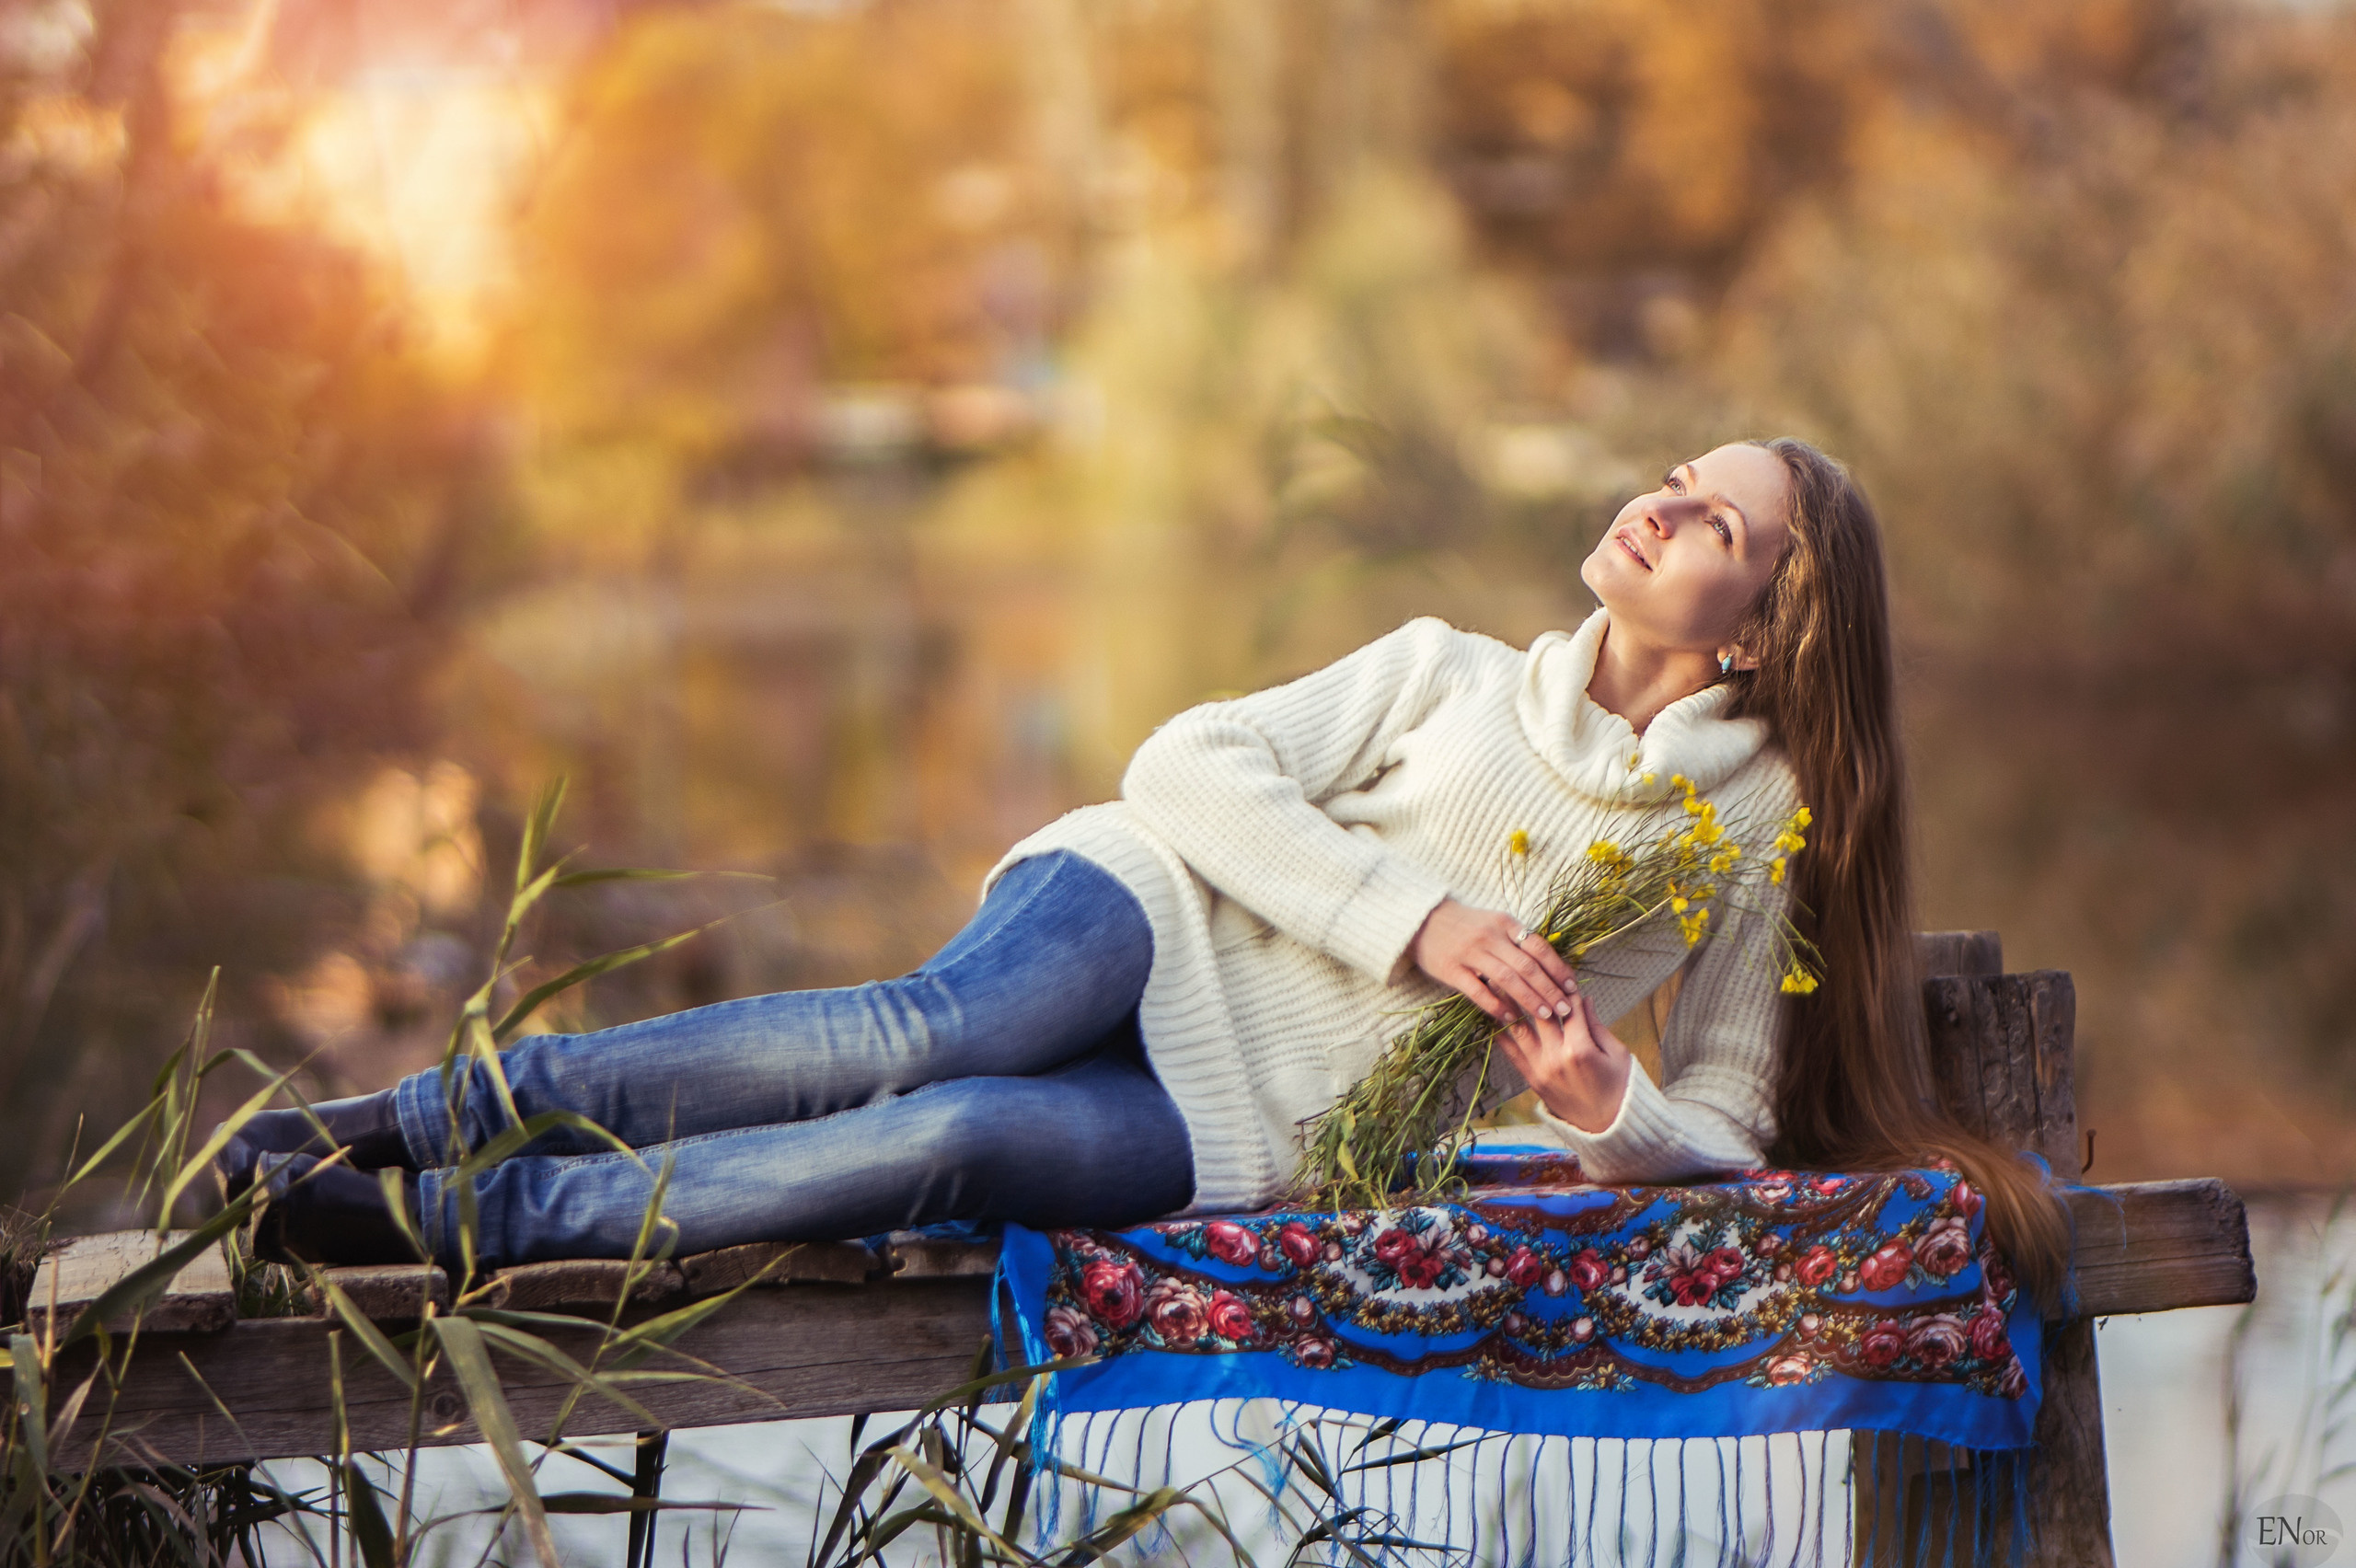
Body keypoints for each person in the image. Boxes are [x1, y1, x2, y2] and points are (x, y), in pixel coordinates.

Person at [218, 437, 2070, 1305]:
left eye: (1711, 521)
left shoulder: (1731, 845)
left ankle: (446, 1236)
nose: (1653, 504)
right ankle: (413, 1122)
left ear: (1753, 631)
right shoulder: (1441, 671)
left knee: (945, 1152)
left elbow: (1729, 1127)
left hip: (1248, 1131)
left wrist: (1604, 1110)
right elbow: (1179, 761)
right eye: (1673, 474)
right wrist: (1409, 923)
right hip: (1143, 907)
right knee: (930, 1035)